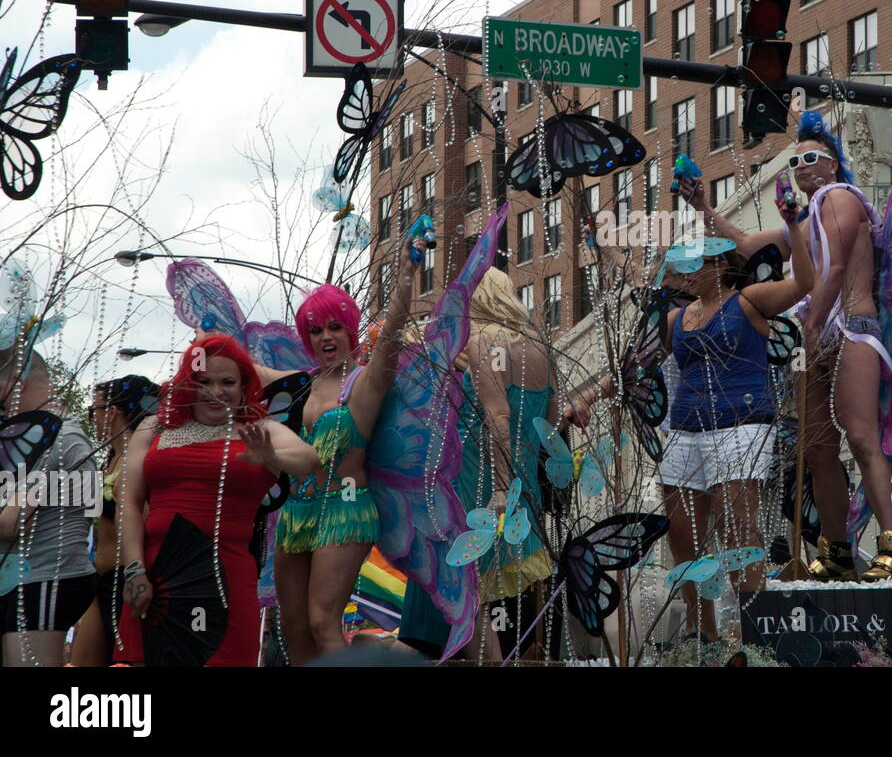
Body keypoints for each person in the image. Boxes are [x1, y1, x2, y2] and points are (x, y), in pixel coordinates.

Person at [569, 194, 813, 641]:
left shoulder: (749, 301)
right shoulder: (677, 318)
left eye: (694, 264)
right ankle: (706, 636)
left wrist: (794, 226)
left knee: (740, 530)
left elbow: (803, 285)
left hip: (742, 427)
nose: (685, 272)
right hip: (684, 432)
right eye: (682, 266)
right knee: (683, 536)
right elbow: (633, 368)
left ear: (719, 266)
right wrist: (587, 399)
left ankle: (754, 637)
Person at [686, 112, 892, 581]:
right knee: (818, 447)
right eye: (795, 161)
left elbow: (838, 264)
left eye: (812, 157)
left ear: (832, 165)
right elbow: (751, 246)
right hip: (816, 335)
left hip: (851, 327)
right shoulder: (807, 219)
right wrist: (703, 208)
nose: (802, 167)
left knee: (861, 436)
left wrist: (811, 323)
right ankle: (836, 550)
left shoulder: (843, 197)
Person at [247, 236, 425, 664]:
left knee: (323, 621)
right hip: (298, 511)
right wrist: (210, 349)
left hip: (345, 509)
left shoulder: (365, 382)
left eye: (334, 327)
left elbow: (391, 338)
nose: (326, 336)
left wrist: (406, 277)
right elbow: (246, 369)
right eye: (315, 329)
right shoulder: (303, 381)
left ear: (350, 330)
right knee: (292, 628)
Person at [114, 334, 319, 666]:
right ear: (188, 384)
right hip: (155, 573)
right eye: (203, 380)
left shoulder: (259, 429)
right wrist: (134, 571)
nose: (216, 390)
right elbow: (129, 502)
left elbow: (310, 460)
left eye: (228, 381)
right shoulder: (154, 428)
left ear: (243, 386)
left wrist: (270, 456)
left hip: (226, 574)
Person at [400, 267, 555, 662]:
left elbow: (497, 416)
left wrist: (500, 489)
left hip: (477, 486)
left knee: (469, 598)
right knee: (512, 603)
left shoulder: (485, 340)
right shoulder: (541, 345)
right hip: (526, 489)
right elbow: (549, 424)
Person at [0, 347, 97, 667]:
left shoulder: (54, 438)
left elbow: (9, 522)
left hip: (43, 578)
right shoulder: (48, 432)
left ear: (16, 382)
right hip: (31, 576)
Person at [70, 374, 160, 666]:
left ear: (111, 412)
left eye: (92, 410)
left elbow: (145, 520)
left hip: (129, 579)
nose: (92, 419)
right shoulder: (111, 456)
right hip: (100, 579)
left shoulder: (142, 456)